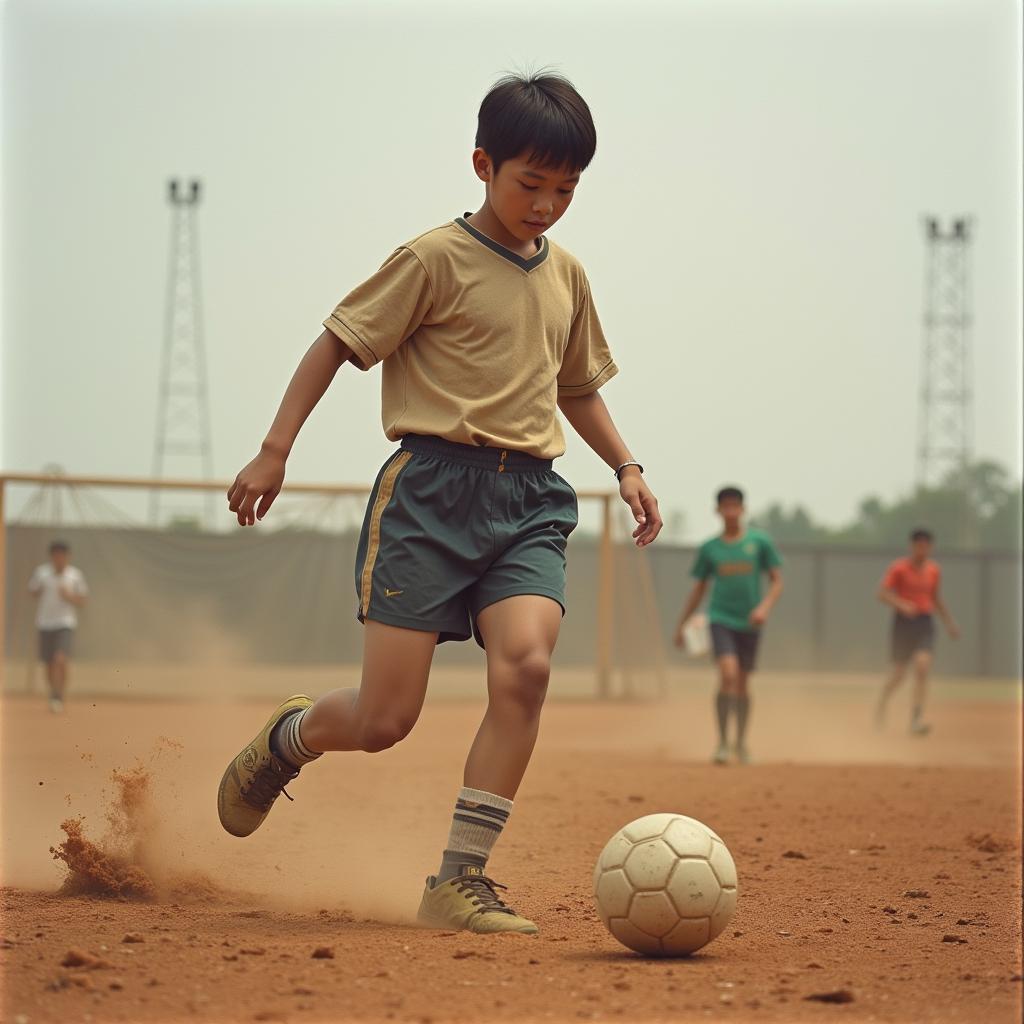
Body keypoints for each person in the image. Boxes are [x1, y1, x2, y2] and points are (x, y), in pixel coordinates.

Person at [216, 72, 662, 935]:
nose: (546, 205)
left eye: (566, 190)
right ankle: (287, 739)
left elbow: (576, 388)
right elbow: (334, 345)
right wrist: (275, 449)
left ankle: (458, 881)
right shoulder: (432, 259)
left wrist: (627, 465)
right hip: (427, 494)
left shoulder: (568, 275)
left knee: (527, 665)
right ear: (483, 165)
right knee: (386, 719)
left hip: (530, 496)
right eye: (530, 184)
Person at [673, 487, 782, 765]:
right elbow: (699, 589)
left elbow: (776, 580)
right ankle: (722, 743)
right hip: (720, 618)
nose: (731, 511)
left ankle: (741, 743)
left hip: (751, 622)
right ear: (718, 511)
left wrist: (764, 608)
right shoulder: (711, 548)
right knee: (728, 674)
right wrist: (682, 624)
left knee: (743, 684)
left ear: (743, 510)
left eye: (735, 506)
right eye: (726, 507)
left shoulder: (759, 542)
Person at [875, 527, 959, 735]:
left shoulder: (933, 570)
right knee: (899, 674)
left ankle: (916, 719)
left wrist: (949, 623)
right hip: (903, 623)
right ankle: (882, 701)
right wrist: (902, 604)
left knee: (922, 667)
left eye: (926, 545)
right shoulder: (899, 568)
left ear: (930, 547)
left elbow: (936, 598)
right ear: (911, 546)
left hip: (924, 622)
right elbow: (882, 594)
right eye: (918, 545)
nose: (922, 549)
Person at [27, 540, 88, 713]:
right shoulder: (42, 573)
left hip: (65, 623)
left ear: (68, 557)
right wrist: (37, 589)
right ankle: (53, 693)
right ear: (52, 557)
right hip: (44, 623)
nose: (59, 559)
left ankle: (60, 694)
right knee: (48, 664)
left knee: (61, 659)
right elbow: (32, 591)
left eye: (63, 556)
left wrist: (69, 596)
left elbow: (83, 600)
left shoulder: (75, 575)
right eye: (56, 556)